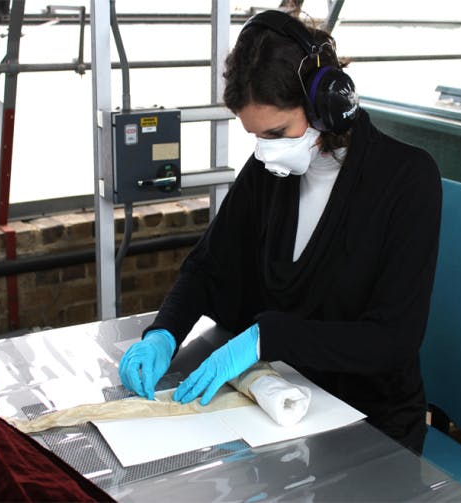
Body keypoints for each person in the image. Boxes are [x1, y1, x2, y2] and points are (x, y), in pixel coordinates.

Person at [118, 9, 441, 454]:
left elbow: (392, 340)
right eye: (256, 136)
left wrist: (268, 337)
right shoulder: (272, 168)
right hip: (277, 398)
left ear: (325, 106)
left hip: (367, 419)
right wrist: (164, 333)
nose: (267, 150)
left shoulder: (406, 180)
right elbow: (210, 266)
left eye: (277, 132)